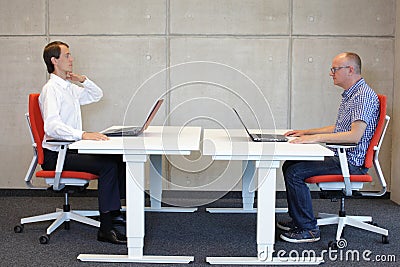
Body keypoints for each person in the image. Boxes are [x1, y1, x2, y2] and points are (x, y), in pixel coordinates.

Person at [279, 52, 379, 243]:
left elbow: (354, 135)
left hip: (350, 162)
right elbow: (340, 128)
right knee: (289, 164)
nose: (331, 73)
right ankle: (299, 220)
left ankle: (308, 229)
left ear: (350, 70)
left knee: (295, 172)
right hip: (340, 156)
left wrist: (315, 139)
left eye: (335, 69)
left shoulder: (362, 96)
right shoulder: (352, 94)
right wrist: (307, 132)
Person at [39, 41, 127, 244]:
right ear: (54, 61)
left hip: (71, 151)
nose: (72, 59)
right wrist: (82, 134)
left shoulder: (68, 87)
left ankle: (114, 213)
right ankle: (105, 229)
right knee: (107, 166)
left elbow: (96, 95)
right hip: (57, 156)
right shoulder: (51, 89)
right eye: (67, 55)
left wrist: (82, 80)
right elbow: (51, 126)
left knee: (117, 158)